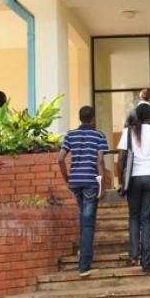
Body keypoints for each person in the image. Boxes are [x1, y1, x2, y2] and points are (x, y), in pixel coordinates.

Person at [117, 104, 150, 273]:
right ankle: (146, 263)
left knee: (134, 216)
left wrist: (120, 181)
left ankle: (134, 253)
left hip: (133, 179)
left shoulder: (128, 132)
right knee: (146, 220)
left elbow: (121, 158)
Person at [57, 106, 109, 278]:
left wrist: (67, 179)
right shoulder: (99, 135)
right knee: (88, 223)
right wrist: (103, 185)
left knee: (83, 218)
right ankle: (84, 266)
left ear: (80, 118)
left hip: (76, 182)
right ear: (93, 119)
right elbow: (100, 160)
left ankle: (83, 251)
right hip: (90, 182)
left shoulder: (70, 135)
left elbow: (60, 159)